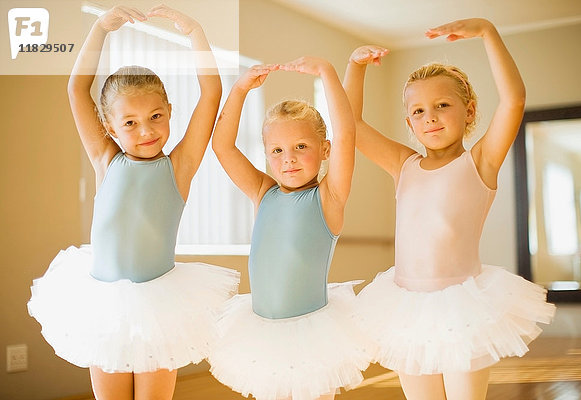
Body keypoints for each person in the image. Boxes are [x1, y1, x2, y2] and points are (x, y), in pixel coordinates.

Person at [27, 5, 239, 399]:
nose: (146, 130)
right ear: (109, 126)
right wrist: (99, 29)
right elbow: (77, 89)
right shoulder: (106, 159)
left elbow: (212, 91)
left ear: (170, 112)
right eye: (129, 122)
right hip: (104, 306)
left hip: (160, 307)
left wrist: (195, 32)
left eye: (156, 116)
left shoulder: (180, 165)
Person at [343, 18, 556, 400]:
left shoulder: (480, 161)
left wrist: (489, 32)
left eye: (442, 105)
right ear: (409, 121)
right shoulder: (403, 165)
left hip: (463, 308)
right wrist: (354, 67)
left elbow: (514, 100)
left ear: (469, 111)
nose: (431, 117)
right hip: (405, 306)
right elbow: (351, 125)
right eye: (420, 111)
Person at [208, 58, 373, 400]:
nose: (289, 159)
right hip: (262, 332)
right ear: (267, 155)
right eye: (277, 151)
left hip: (311, 334)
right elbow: (222, 147)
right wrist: (239, 90)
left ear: (324, 150)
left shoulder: (329, 197)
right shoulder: (262, 192)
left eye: (301, 147)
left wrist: (328, 71)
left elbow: (346, 135)